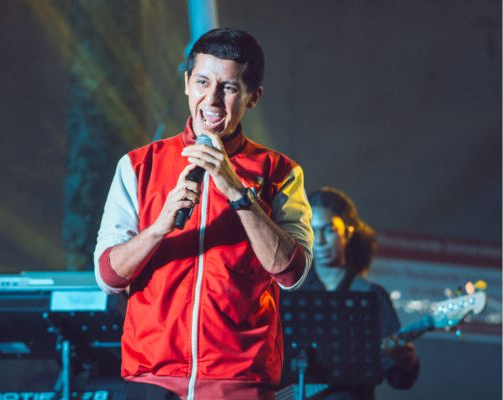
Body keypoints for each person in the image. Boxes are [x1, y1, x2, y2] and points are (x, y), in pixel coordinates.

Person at [93, 28, 314, 400]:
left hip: (240, 380)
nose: (211, 99)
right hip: (152, 377)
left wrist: (237, 192)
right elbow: (108, 277)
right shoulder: (138, 165)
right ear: (186, 83)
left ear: (253, 97)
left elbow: (293, 274)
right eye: (202, 82)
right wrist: (159, 227)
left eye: (228, 87)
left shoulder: (280, 172)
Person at [299, 187, 419, 399]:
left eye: (329, 230)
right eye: (312, 230)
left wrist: (406, 362)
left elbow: (399, 379)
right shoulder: (294, 292)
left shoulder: (371, 295)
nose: (320, 240)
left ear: (348, 232)